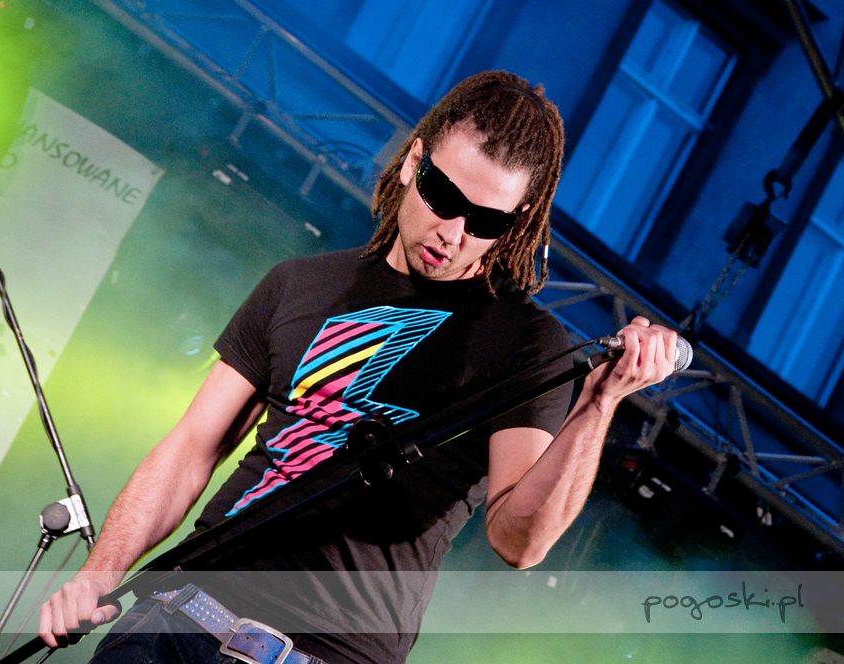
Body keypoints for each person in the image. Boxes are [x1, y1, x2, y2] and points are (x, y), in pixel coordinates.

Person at [38, 71, 678, 663]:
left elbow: (519, 542)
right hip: (174, 619)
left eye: (484, 220)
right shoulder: (297, 284)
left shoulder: (526, 344)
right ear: (413, 161)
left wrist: (598, 405)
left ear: (516, 222)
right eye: (442, 196)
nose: (453, 231)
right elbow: (190, 449)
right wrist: (98, 575)